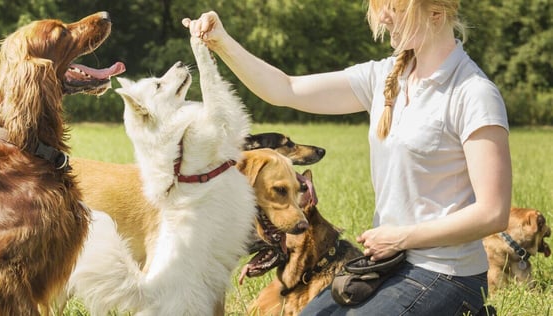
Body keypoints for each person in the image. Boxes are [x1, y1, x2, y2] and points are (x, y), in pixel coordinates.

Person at [183, 0, 511, 314]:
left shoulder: (473, 94)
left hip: (445, 274)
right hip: (387, 264)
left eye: (394, 9)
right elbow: (286, 89)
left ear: (436, 14)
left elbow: (493, 212)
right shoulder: (385, 78)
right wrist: (221, 41)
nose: (383, 19)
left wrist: (403, 236)